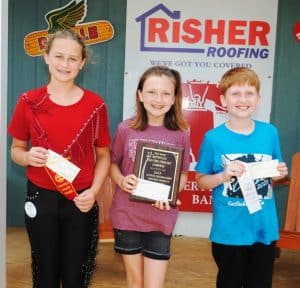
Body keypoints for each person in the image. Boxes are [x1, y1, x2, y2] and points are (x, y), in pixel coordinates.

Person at [7, 29, 111, 288]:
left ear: (82, 62)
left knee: (77, 272)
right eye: (59, 56)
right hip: (41, 198)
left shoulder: (95, 105)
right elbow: (16, 151)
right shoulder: (28, 101)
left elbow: (104, 155)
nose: (65, 64)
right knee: (45, 271)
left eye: (72, 59)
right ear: (46, 57)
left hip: (81, 199)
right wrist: (28, 156)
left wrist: (94, 191)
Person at [195, 67, 288, 288]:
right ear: (223, 100)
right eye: (235, 93)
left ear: (258, 99)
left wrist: (279, 174)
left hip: (263, 228)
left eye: (249, 93)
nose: (243, 100)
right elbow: (200, 180)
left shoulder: (270, 132)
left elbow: (274, 175)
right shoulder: (213, 138)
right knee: (230, 282)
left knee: (260, 283)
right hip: (228, 231)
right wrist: (223, 176)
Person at [109, 66, 191, 288]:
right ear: (140, 95)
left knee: (154, 284)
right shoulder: (125, 129)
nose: (158, 99)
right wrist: (121, 181)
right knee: (135, 281)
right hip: (127, 216)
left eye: (166, 93)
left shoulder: (181, 133)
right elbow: (112, 164)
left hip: (161, 218)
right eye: (152, 92)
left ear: (175, 98)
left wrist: (172, 192)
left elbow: (183, 173)